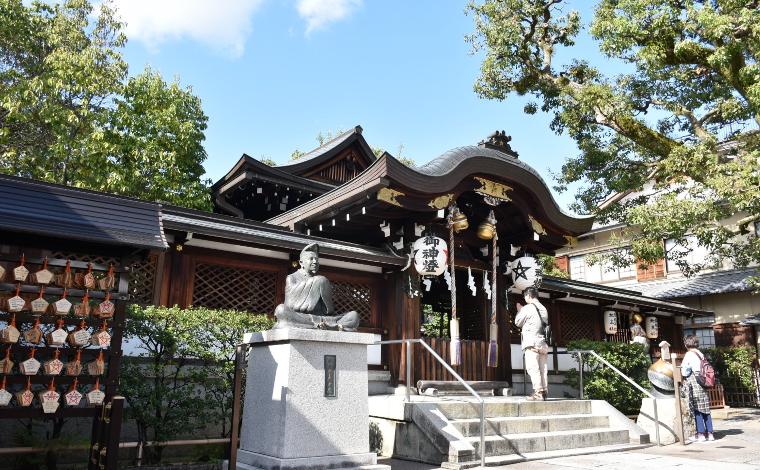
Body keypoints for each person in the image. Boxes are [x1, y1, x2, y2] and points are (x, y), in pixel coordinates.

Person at [273, 243, 360, 331]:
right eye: (311, 259)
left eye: (316, 259)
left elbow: (329, 311)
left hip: (324, 319)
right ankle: (327, 327)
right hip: (303, 317)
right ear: (301, 262)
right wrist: (317, 282)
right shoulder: (292, 278)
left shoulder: (322, 280)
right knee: (281, 310)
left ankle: (330, 326)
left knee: (354, 316)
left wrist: (319, 283)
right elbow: (290, 305)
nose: (315, 261)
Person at [515, 287, 549, 400]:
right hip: (543, 343)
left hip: (532, 343)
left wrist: (520, 310)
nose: (525, 298)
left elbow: (517, 322)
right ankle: (544, 392)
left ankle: (538, 392)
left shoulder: (528, 308)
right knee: (543, 369)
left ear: (528, 296)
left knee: (533, 368)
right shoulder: (543, 308)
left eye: (525, 296)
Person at [681, 334, 715, 442]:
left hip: (695, 382)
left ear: (686, 344)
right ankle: (710, 433)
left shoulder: (689, 354)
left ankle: (700, 434)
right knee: (705, 408)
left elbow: (684, 371)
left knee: (697, 409)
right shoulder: (700, 353)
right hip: (703, 381)